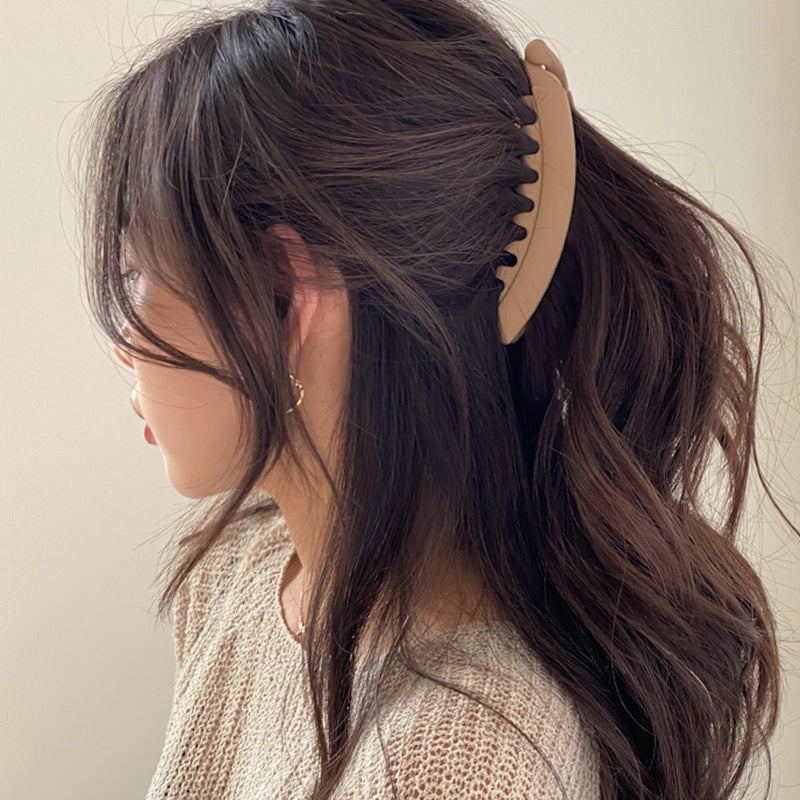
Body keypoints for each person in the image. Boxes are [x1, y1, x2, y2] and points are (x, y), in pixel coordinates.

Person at [77, 1, 794, 798]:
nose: (122, 340)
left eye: (138, 274)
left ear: (283, 297)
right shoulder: (235, 581)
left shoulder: (461, 763)